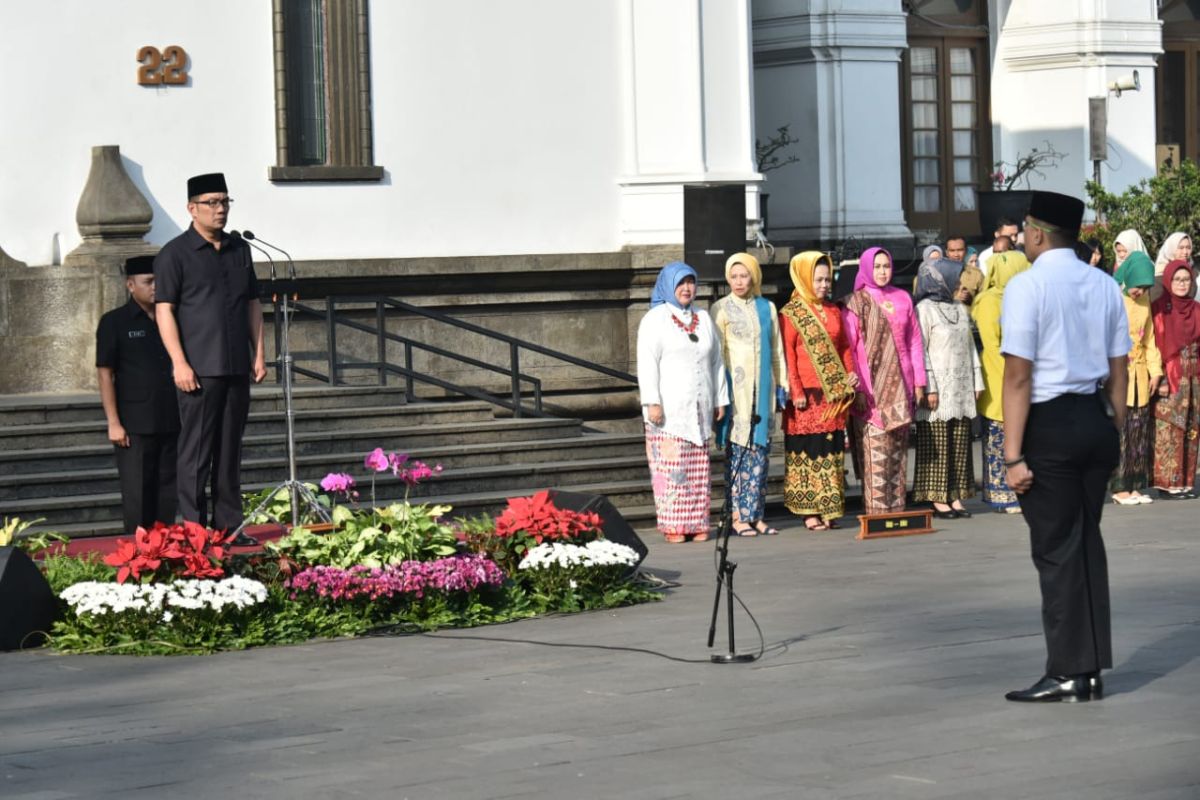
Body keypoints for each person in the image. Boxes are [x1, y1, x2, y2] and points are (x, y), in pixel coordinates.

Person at [1000, 190, 1129, 703]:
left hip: (1048, 423)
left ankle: (1068, 671)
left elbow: (1017, 376)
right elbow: (1119, 369)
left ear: (1036, 233)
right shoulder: (1103, 284)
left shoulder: (1027, 287)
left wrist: (1012, 455)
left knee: (1057, 550)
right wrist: (1112, 427)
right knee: (1085, 544)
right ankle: (1091, 667)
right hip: (1094, 418)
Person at [154, 173, 266, 545]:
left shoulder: (239, 249)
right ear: (192, 208)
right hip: (199, 369)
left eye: (225, 202)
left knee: (229, 449)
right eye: (212, 203)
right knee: (196, 451)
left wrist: (259, 352)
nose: (220, 210)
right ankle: (192, 528)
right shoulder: (175, 253)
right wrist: (178, 363)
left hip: (236, 364)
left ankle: (228, 526)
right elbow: (165, 310)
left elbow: (252, 303)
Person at [637, 262, 729, 543]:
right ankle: (674, 526)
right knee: (672, 470)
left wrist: (720, 399)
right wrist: (652, 401)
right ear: (668, 286)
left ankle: (698, 523)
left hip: (699, 407)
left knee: (698, 471)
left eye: (691, 282)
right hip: (668, 412)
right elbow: (647, 363)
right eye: (681, 283)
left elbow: (716, 361)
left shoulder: (702, 317)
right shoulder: (655, 319)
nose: (687, 288)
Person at [95, 255, 180, 535]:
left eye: (159, 280)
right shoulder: (114, 322)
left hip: (172, 417)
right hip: (135, 423)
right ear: (130, 285)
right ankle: (138, 553)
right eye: (148, 281)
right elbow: (105, 373)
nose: (155, 287)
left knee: (168, 490)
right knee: (137, 492)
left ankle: (167, 550)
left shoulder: (174, 318)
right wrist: (113, 421)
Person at [844, 247, 927, 514]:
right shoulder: (856, 302)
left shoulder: (903, 298)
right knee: (876, 451)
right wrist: (857, 387)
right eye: (877, 266)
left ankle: (897, 509)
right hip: (870, 387)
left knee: (898, 452)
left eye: (886, 266)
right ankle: (877, 513)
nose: (882, 271)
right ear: (867, 268)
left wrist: (919, 382)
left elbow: (914, 342)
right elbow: (851, 348)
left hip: (902, 385)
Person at [779, 252, 858, 530]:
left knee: (830, 450)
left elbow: (845, 347)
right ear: (803, 278)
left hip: (832, 395)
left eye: (828, 279)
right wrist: (795, 389)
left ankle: (829, 508)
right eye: (819, 279)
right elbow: (787, 353)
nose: (825, 284)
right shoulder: (791, 313)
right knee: (808, 452)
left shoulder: (835, 310)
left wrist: (851, 374)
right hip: (806, 397)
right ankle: (809, 511)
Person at [712, 252, 787, 537]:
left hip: (763, 389)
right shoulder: (719, 309)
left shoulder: (767, 308)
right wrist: (720, 391)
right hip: (737, 392)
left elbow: (777, 350)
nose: (739, 281)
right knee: (739, 453)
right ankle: (738, 515)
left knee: (761, 453)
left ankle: (756, 514)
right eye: (734, 276)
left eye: (744, 276)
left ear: (754, 276)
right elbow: (718, 355)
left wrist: (782, 385)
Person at [912, 258, 983, 519]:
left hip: (961, 387)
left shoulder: (959, 309)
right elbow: (921, 351)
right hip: (938, 389)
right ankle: (937, 497)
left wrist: (977, 381)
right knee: (938, 445)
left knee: (959, 444)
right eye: (955, 278)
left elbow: (971, 347)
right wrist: (928, 386)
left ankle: (955, 495)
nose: (960, 284)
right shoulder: (924, 309)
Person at [971, 251, 1031, 513]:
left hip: (1020, 374)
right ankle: (1001, 493)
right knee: (997, 437)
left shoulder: (1021, 299)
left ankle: (1018, 490)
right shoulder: (988, 302)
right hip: (998, 376)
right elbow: (992, 344)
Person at [1109, 252, 1162, 506]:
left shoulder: (1145, 301)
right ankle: (1119, 487)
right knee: (1123, 432)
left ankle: (1135, 486)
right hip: (1119, 373)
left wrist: (1156, 371)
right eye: (1137, 286)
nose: (1139, 291)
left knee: (1139, 432)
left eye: (1144, 287)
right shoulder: (1113, 299)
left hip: (1141, 374)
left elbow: (1149, 337)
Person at [1151, 260, 1200, 499]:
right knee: (1169, 428)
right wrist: (1159, 377)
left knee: (1191, 427)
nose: (1182, 284)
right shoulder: (1161, 308)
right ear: (1169, 281)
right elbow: (1157, 344)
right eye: (1177, 279)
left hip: (1194, 378)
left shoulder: (1197, 309)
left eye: (1186, 279)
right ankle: (1167, 484)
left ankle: (1186, 482)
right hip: (1170, 376)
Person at [1152, 232, 1193, 301]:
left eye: (1188, 248)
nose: (1185, 252)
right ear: (1171, 248)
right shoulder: (1159, 275)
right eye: (1181, 248)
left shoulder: (1194, 271)